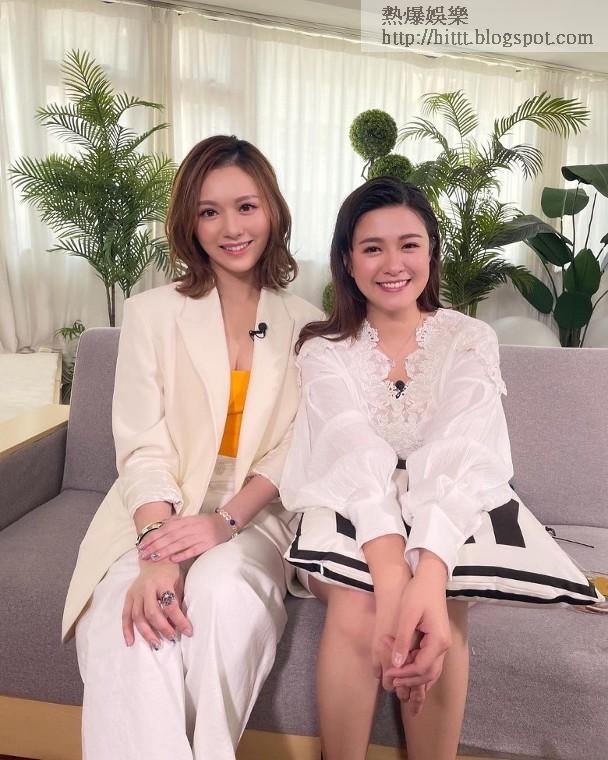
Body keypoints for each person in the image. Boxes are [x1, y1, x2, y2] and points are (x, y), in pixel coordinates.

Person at [61, 135, 323, 760]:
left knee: (226, 593)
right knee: (132, 625)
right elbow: (142, 445)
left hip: (253, 511)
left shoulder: (308, 324)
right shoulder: (151, 314)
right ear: (190, 222)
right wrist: (157, 552)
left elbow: (295, 448)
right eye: (210, 211)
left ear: (272, 211)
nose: (231, 228)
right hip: (154, 507)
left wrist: (224, 522)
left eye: (246, 206)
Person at [280, 177, 514, 760]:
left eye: (409, 245)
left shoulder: (469, 338)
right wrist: (391, 578)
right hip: (344, 510)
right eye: (372, 248)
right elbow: (350, 453)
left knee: (443, 605)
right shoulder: (322, 348)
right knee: (358, 600)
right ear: (346, 260)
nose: (393, 264)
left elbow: (460, 449)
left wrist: (427, 576)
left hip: (444, 507)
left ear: (431, 251)